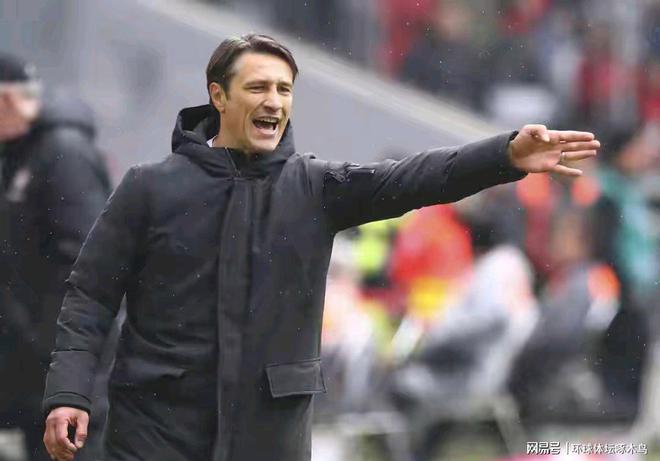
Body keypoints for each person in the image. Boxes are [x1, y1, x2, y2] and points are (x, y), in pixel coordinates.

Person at [42, 33, 600, 461]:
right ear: (218, 96)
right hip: (155, 433)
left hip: (268, 437)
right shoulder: (149, 187)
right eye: (258, 87)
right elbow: (89, 297)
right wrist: (68, 393)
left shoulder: (315, 188)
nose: (274, 101)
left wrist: (504, 156)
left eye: (284, 90)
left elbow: (416, 178)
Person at [0, 52, 111, 461]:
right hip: (27, 369)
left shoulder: (63, 153)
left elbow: (90, 266)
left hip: (61, 376)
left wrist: (57, 360)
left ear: (7, 101)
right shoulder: (19, 153)